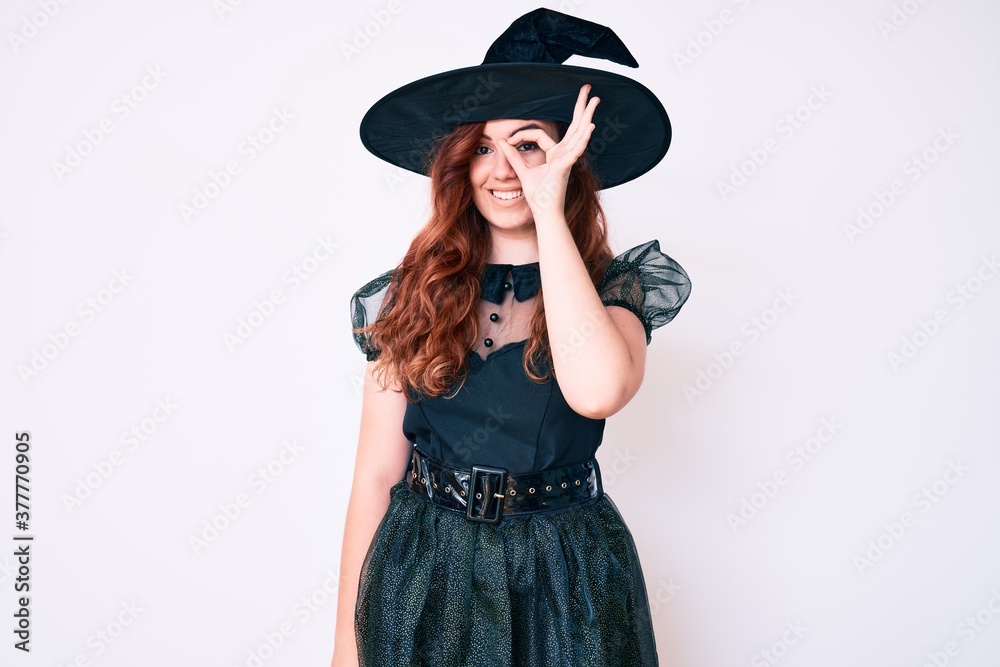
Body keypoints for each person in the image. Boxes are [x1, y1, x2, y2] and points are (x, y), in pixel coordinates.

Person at [331, 8, 691, 667]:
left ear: (568, 158)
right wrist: (345, 648)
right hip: (425, 569)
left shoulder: (616, 289)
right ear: (460, 165)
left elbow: (597, 392)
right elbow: (376, 474)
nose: (503, 169)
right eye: (483, 147)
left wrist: (548, 207)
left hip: (564, 575)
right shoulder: (411, 294)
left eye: (528, 146)